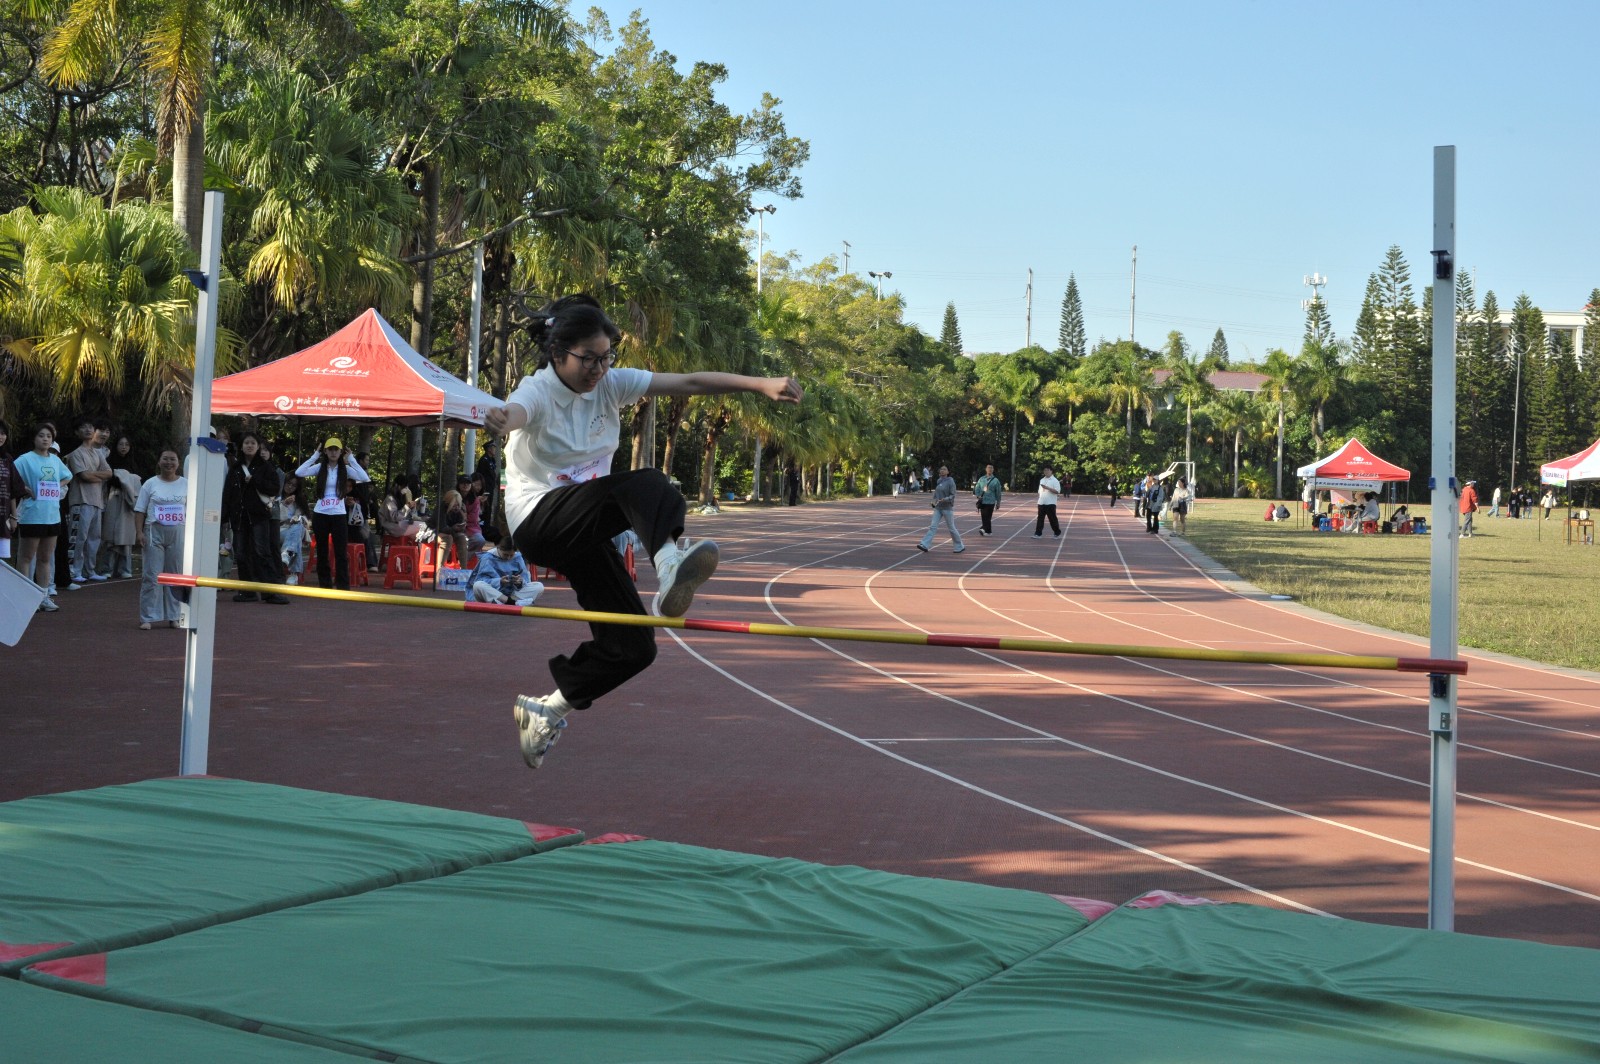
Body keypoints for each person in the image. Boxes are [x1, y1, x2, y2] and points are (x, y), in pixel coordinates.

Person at [483, 293, 802, 770]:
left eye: (606, 357)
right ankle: (669, 564)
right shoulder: (538, 389)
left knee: (635, 645)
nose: (598, 369)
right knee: (646, 483)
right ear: (557, 353)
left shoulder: (612, 384)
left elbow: (689, 382)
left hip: (584, 529)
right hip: (539, 520)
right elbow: (517, 412)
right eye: (588, 359)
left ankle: (547, 710)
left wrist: (759, 385)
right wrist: (501, 418)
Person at [295, 437, 371, 590]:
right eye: (330, 449)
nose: (333, 452)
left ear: (341, 452)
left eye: (336, 449)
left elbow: (364, 477)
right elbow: (299, 472)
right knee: (322, 551)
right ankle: (325, 584)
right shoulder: (320, 467)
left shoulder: (346, 469)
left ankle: (343, 585)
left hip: (339, 514)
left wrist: (352, 459)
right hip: (320, 513)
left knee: (340, 551)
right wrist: (315, 455)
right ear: (325, 451)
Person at [222, 432, 290, 603]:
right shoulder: (235, 468)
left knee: (262, 552)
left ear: (258, 446)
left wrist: (255, 481)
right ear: (241, 446)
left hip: (259, 516)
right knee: (241, 554)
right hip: (239, 516)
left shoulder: (266, 467)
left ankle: (271, 592)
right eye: (246, 443)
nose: (250, 446)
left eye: (253, 443)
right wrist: (224, 517)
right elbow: (228, 493)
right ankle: (248, 591)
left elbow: (274, 489)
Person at [14, 423, 72, 611]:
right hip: (32, 515)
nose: (45, 439)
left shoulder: (55, 460)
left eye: (49, 436)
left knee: (45, 558)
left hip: (52, 515)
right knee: (26, 557)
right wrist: (24, 489)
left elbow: (68, 475)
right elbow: (11, 478)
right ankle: (24, 597)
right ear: (34, 438)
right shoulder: (25, 459)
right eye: (41, 435)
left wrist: (57, 486)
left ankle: (43, 596)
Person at [133, 445, 187, 629]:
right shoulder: (150, 483)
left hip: (178, 532)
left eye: (172, 459)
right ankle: (148, 617)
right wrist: (139, 532)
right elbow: (140, 509)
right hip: (153, 531)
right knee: (152, 575)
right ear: (159, 462)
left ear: (178, 463)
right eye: (165, 459)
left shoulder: (186, 484)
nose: (169, 463)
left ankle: (174, 615)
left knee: (175, 575)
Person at [65, 418, 113, 585]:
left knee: (94, 538)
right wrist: (97, 475)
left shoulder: (98, 453)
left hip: (97, 501)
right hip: (80, 501)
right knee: (78, 537)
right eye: (83, 427)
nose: (87, 430)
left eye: (90, 427)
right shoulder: (75, 454)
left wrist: (93, 475)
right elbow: (84, 476)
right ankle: (74, 570)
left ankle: (89, 570)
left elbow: (109, 473)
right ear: (77, 432)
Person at [98, 433, 141, 578]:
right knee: (111, 534)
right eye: (121, 444)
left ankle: (125, 569)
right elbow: (109, 479)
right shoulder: (109, 462)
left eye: (127, 445)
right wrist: (125, 479)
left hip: (129, 503)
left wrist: (124, 478)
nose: (124, 447)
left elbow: (137, 483)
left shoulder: (133, 463)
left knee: (126, 535)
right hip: (113, 498)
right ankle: (107, 568)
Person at [465, 536, 545, 607]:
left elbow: (526, 581)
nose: (508, 558)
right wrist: (499, 581)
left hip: (511, 593)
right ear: (498, 548)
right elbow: (480, 580)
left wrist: (519, 582)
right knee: (478, 585)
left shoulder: (518, 557)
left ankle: (507, 602)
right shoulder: (487, 558)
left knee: (539, 586)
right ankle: (512, 602)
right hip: (494, 592)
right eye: (505, 555)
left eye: (511, 555)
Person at [917, 464, 966, 554]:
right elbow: (936, 494)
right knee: (933, 526)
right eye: (941, 469)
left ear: (948, 472)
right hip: (938, 508)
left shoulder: (950, 481)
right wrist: (933, 502)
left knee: (951, 528)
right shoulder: (939, 481)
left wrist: (945, 499)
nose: (942, 470)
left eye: (944, 469)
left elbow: (953, 495)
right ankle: (924, 544)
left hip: (947, 508)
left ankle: (959, 546)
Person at [0, 420, 29, 569]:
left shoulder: (7, 459)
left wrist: (14, 516)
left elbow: (12, 490)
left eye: (3, 433)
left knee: (2, 563)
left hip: (3, 517)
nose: (1, 437)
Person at [278, 475, 311, 585]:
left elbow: (307, 521)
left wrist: (298, 518)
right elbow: (274, 517)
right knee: (296, 541)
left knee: (297, 527)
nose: (290, 487)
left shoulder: (299, 500)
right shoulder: (277, 497)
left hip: (295, 529)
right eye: (288, 483)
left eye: (294, 485)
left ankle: (287, 553)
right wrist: (284, 504)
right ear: (284, 482)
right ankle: (293, 574)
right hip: (280, 530)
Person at [973, 463, 1002, 536]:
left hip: (991, 501)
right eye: (988, 468)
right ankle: (988, 531)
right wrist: (978, 496)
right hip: (982, 501)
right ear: (986, 469)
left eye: (991, 468)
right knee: (983, 516)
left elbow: (998, 492)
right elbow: (977, 488)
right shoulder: (981, 479)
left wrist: (998, 502)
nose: (990, 469)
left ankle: (983, 529)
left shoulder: (996, 480)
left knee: (988, 516)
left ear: (993, 470)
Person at [1034, 464, 1062, 538]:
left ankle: (1057, 532)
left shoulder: (1055, 480)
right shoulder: (1042, 480)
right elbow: (1039, 491)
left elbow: (1057, 491)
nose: (1046, 472)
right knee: (1040, 519)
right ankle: (1038, 533)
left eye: (1047, 470)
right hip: (1041, 502)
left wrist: (1048, 488)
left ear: (1051, 471)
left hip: (1050, 503)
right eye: (1045, 470)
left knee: (1052, 519)